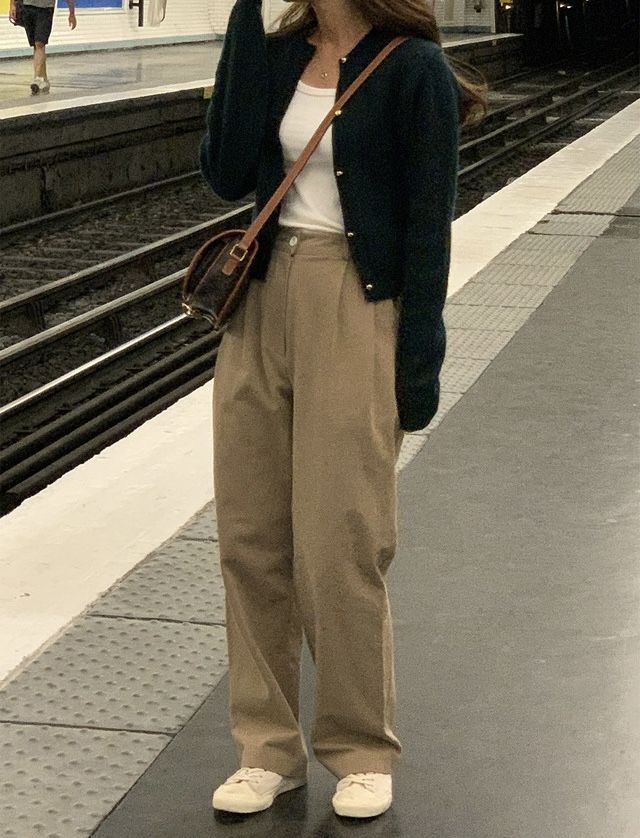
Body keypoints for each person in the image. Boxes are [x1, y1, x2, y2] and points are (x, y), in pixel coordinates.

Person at [200, 0, 486, 821]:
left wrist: (417, 363)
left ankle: (360, 746)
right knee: (250, 534)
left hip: (354, 302)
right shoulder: (281, 50)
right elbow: (224, 169)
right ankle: (266, 748)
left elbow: (430, 230)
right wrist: (244, 29)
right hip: (258, 304)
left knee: (341, 537)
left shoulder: (413, 69)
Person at [9, 0, 77, 95]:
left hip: (45, 9)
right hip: (28, 7)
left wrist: (72, 13)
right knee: (36, 46)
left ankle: (37, 78)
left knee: (39, 43)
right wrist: (12, 5)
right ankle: (44, 79)